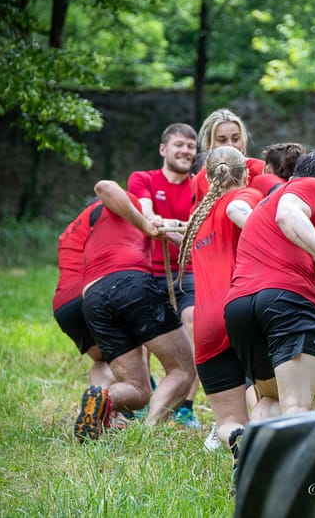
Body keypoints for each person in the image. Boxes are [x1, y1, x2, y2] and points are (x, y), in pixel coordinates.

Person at [224, 149, 315, 425]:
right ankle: (297, 468)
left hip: (240, 308)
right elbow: (288, 214)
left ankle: (251, 456)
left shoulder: (265, 204)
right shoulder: (314, 186)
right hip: (284, 300)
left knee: (270, 401)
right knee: (298, 407)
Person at [74, 180, 196, 442]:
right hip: (130, 283)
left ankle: (103, 397)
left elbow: (187, 246)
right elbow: (104, 186)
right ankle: (149, 435)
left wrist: (159, 228)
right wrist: (145, 224)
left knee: (138, 390)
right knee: (183, 370)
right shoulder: (127, 205)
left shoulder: (99, 226)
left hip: (93, 298)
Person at [177, 146, 263, 473]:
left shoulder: (199, 216)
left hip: (206, 326)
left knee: (227, 419)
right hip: (242, 311)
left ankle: (238, 440)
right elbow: (240, 211)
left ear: (208, 177)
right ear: (246, 173)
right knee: (269, 399)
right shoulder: (245, 195)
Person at [127, 123, 201, 429]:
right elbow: (145, 214)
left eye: (191, 147)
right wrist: (159, 225)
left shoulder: (200, 186)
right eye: (179, 145)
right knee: (140, 334)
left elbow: (197, 237)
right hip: (146, 269)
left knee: (196, 320)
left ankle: (185, 405)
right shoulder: (143, 179)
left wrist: (164, 228)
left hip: (188, 271)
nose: (185, 151)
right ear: (163, 149)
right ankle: (145, 398)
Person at [53, 197, 115, 390]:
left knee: (104, 359)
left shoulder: (69, 232)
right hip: (92, 295)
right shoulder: (102, 213)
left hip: (64, 305)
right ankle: (125, 410)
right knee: (129, 349)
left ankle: (96, 400)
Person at [192, 108, 266, 206]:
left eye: (235, 139)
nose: (230, 145)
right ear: (209, 144)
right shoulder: (202, 178)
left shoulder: (260, 169)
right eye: (222, 140)